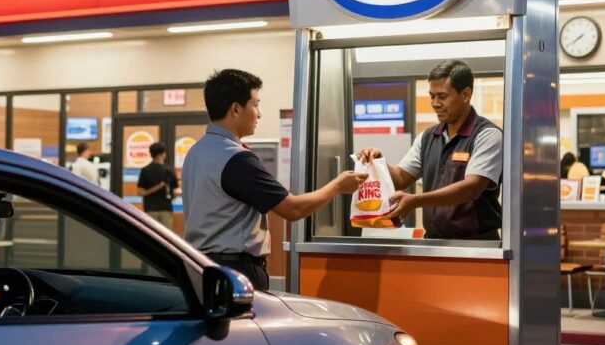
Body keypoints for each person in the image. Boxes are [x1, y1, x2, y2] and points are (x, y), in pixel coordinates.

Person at [182, 69, 366, 291]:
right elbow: (292, 209)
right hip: (235, 272)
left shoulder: (196, 151)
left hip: (202, 268)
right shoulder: (236, 159)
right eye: (256, 104)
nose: (259, 114)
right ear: (236, 109)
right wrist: (337, 186)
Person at [357, 59, 503, 240]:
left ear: (465, 94)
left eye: (442, 96)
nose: (434, 103)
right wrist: (378, 162)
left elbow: (471, 188)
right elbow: (401, 178)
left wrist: (415, 201)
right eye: (432, 96)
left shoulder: (487, 135)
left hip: (476, 246)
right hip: (434, 242)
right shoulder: (428, 137)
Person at [137, 142, 178, 229]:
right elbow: (174, 191)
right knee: (166, 237)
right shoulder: (169, 170)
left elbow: (140, 192)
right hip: (166, 209)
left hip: (150, 209)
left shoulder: (145, 170)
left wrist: (153, 189)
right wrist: (159, 187)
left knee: (151, 236)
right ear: (162, 154)